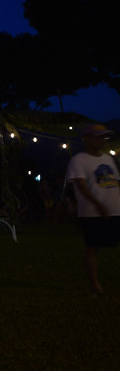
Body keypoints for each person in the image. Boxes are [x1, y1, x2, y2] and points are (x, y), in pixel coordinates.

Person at [66, 124, 120, 296]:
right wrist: (97, 204)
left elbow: (116, 182)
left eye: (103, 137)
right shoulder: (79, 160)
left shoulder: (107, 158)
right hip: (92, 213)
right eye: (98, 137)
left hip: (115, 210)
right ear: (86, 138)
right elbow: (81, 186)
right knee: (92, 248)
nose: (102, 140)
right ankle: (94, 284)